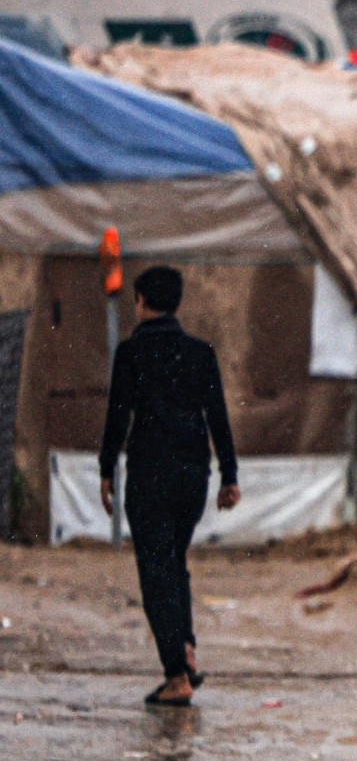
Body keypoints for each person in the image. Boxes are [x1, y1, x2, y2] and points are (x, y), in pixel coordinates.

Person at [98, 266, 240, 707]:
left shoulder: (131, 354)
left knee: (156, 574)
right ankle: (187, 650)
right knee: (174, 564)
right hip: (192, 477)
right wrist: (229, 475)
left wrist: (106, 469)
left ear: (140, 300)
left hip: (149, 475)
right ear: (177, 302)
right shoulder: (199, 353)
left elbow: (118, 417)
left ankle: (176, 674)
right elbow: (217, 415)